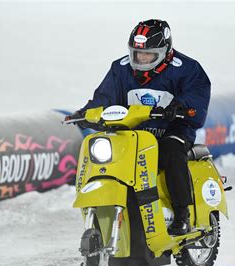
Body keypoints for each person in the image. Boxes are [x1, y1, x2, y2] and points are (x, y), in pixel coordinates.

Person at [67, 19, 211, 235]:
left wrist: (180, 107)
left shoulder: (188, 69)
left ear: (165, 51)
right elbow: (104, 97)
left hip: (172, 131)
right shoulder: (121, 68)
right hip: (131, 133)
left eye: (148, 54)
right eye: (137, 53)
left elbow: (196, 95)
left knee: (172, 152)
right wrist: (84, 113)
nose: (141, 58)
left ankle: (182, 214)